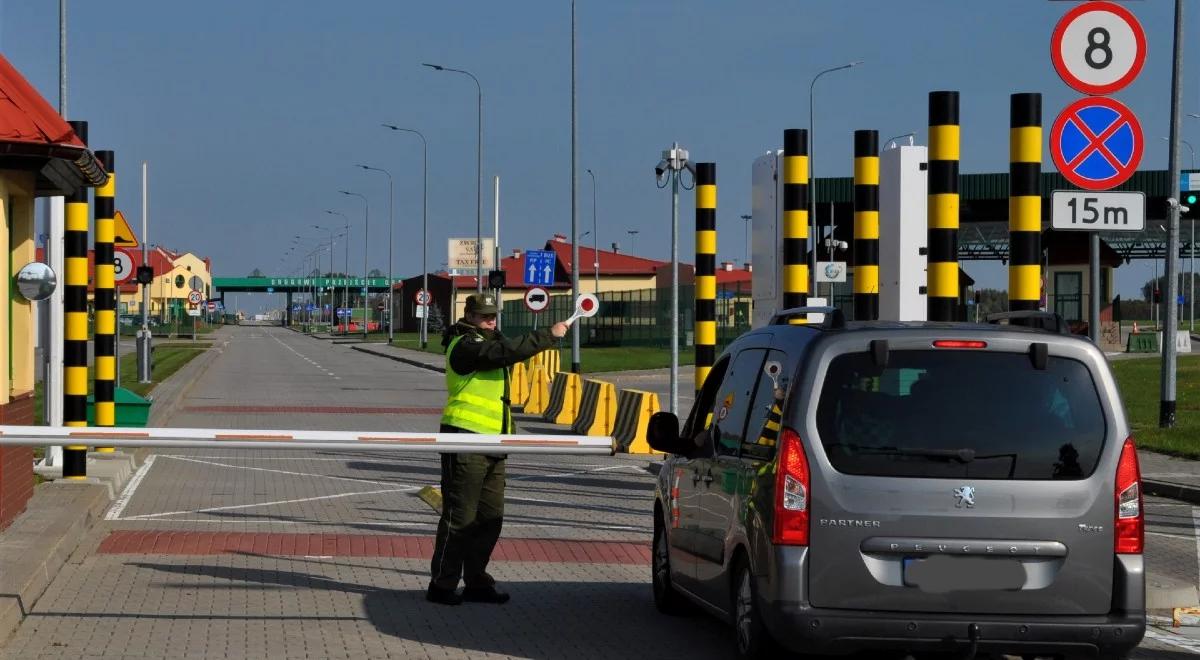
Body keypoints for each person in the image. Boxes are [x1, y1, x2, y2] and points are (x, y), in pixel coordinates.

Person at [427, 293, 570, 606]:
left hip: (494, 440)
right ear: (470, 317)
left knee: (491, 517)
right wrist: (547, 335)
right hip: (464, 438)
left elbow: (503, 350)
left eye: (494, 315)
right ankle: (442, 584)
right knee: (460, 517)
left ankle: (477, 581)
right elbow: (499, 352)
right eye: (485, 316)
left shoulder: (489, 340)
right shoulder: (464, 345)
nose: (492, 320)